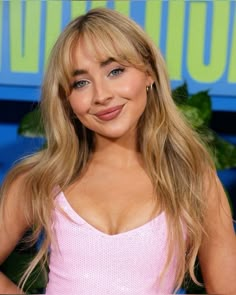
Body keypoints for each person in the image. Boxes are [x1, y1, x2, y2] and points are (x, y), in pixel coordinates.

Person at [0, 7, 236, 295]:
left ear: (149, 73)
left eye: (116, 71)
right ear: (67, 98)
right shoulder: (40, 179)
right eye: (81, 82)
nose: (102, 95)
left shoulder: (192, 178)